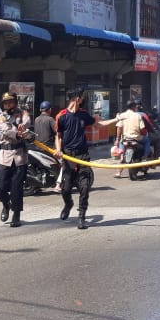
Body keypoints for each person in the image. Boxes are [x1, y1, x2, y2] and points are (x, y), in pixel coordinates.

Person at [54, 88, 97, 230]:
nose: (83, 100)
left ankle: (81, 217)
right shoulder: (61, 116)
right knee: (66, 189)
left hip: (83, 155)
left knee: (84, 187)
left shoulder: (83, 114)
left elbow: (98, 123)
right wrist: (59, 150)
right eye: (82, 97)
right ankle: (68, 204)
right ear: (77, 99)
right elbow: (58, 136)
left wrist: (116, 119)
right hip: (68, 156)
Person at [0, 91, 31, 227]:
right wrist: (18, 133)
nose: (8, 104)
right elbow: (5, 130)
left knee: (17, 188)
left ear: (15, 102)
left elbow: (27, 121)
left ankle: (16, 215)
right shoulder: (0, 117)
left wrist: (23, 126)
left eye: (10, 102)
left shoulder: (23, 114)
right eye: (5, 102)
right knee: (0, 188)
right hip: (4, 156)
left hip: (20, 157)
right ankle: (6, 204)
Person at [114, 100, 149, 178]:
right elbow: (142, 128)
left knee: (122, 154)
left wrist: (117, 139)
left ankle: (119, 172)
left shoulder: (122, 115)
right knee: (147, 141)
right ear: (133, 107)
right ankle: (145, 157)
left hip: (125, 139)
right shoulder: (137, 116)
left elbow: (119, 128)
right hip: (136, 138)